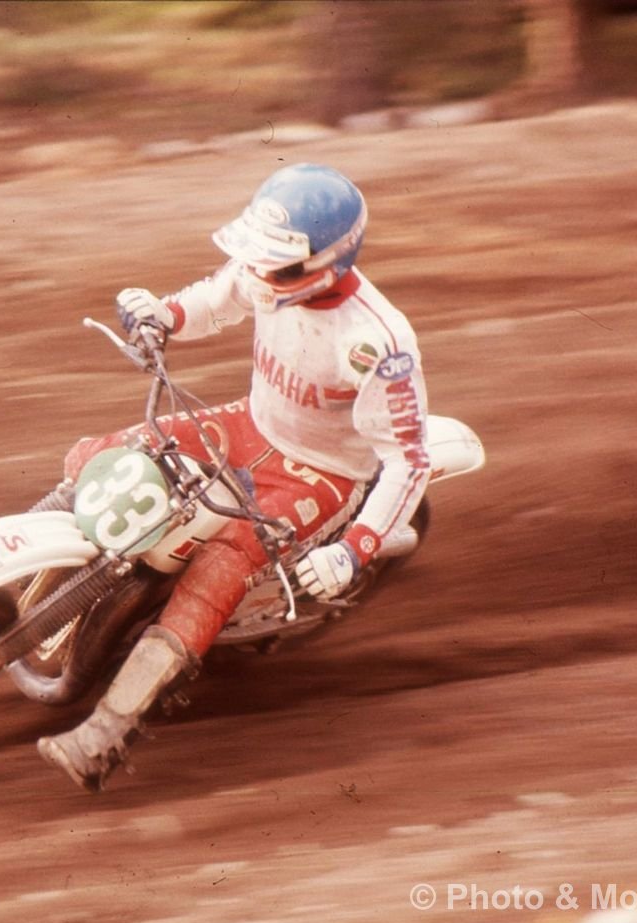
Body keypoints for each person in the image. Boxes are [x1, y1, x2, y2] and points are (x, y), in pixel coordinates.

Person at [36, 163, 430, 792]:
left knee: (215, 571)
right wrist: (162, 314)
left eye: (277, 267)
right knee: (99, 453)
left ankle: (106, 734)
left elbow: (409, 459)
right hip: (248, 425)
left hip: (319, 474)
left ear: (326, 264)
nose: (259, 276)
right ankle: (20, 573)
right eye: (258, 259)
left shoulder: (378, 344)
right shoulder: (265, 273)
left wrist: (354, 549)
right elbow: (215, 300)